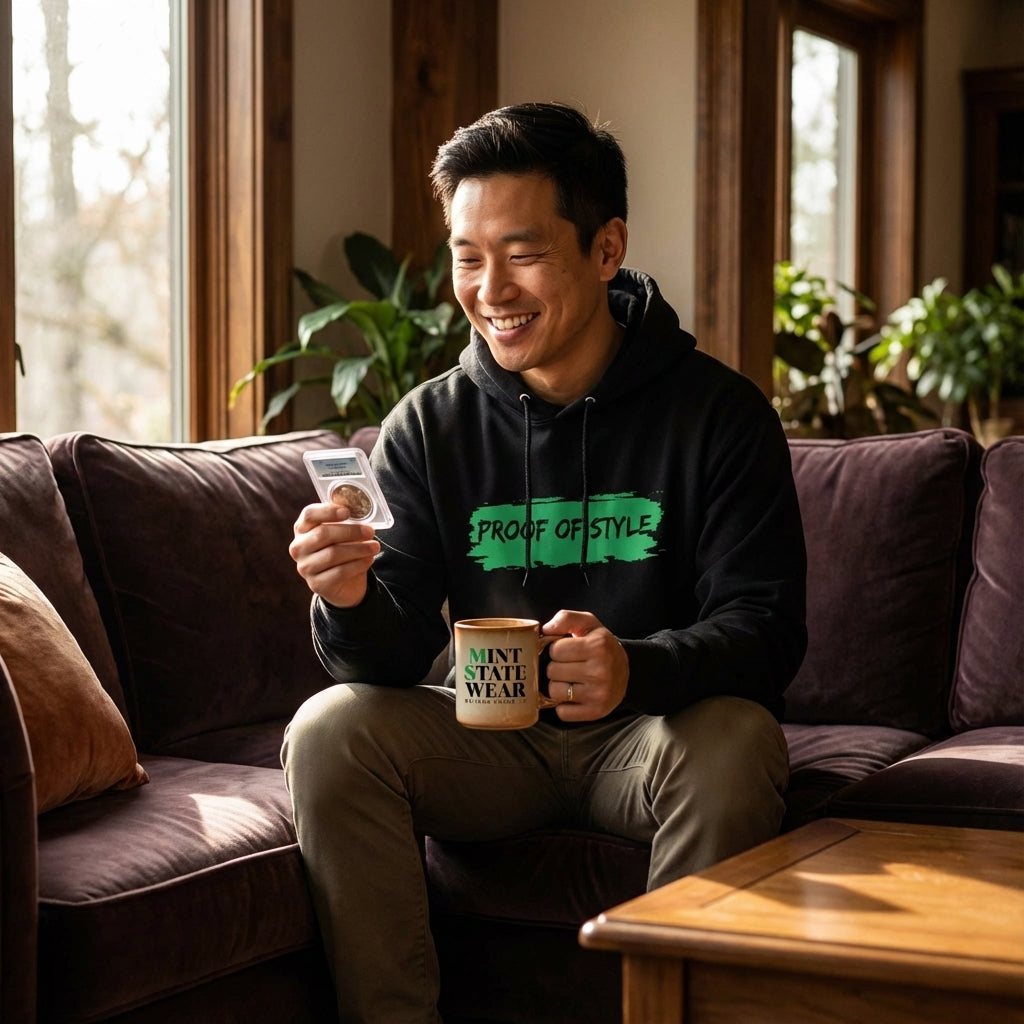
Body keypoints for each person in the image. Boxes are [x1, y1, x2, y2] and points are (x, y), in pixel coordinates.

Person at [282, 102, 807, 1024]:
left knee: (738, 741)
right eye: (466, 256)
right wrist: (353, 597)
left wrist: (632, 666)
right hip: (491, 737)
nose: (490, 289)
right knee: (329, 730)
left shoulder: (718, 415)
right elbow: (391, 661)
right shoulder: (427, 426)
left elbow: (766, 632)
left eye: (522, 253)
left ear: (607, 249)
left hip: (652, 737)